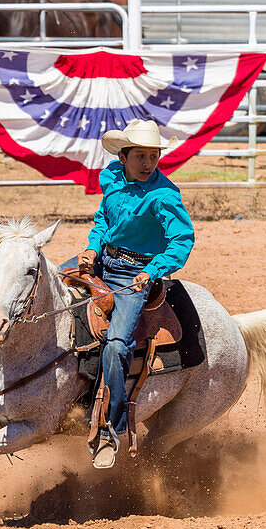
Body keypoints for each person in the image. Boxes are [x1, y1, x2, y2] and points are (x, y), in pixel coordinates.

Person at [76, 119, 195, 469]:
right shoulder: (112, 178)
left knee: (116, 343)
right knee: (49, 285)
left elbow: (182, 241)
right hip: (103, 262)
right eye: (140, 155)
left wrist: (152, 271)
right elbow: (103, 221)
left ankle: (111, 426)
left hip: (135, 275)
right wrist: (92, 248)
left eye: (153, 156)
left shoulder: (165, 196)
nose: (147, 163)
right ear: (124, 155)